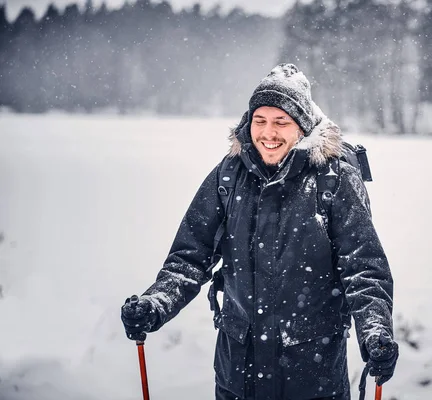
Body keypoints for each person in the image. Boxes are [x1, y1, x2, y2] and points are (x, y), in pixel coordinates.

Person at [121, 63, 398, 400]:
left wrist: (375, 331)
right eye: (260, 121)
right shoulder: (228, 176)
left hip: (312, 379)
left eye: (281, 122)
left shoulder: (333, 181)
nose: (269, 133)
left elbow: (364, 269)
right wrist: (156, 302)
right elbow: (189, 258)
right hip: (238, 377)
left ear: (303, 128)